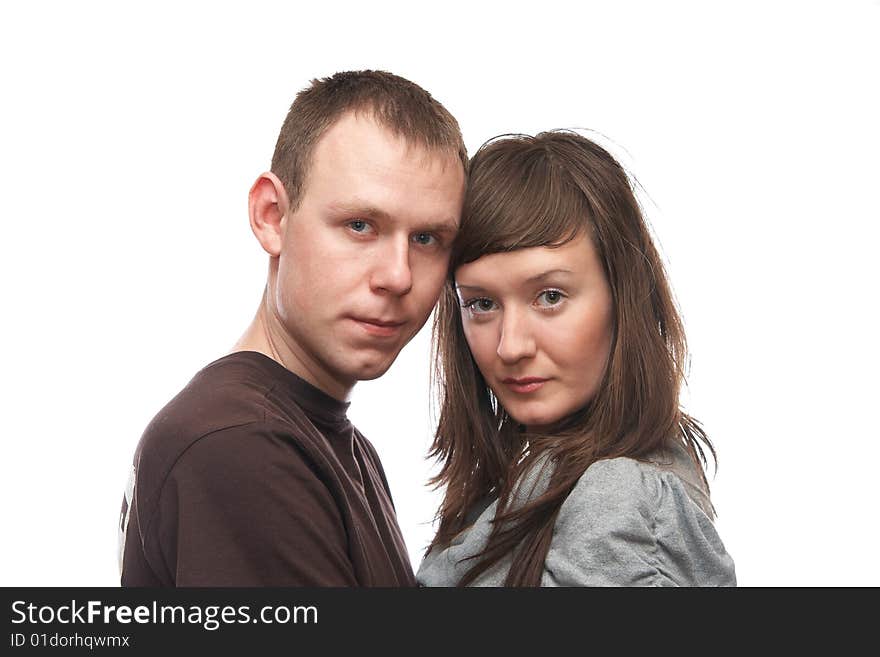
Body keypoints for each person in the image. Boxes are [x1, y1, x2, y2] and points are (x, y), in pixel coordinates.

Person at [118, 70, 467, 586]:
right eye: (360, 225)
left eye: (427, 239)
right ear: (271, 215)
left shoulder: (330, 443)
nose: (398, 276)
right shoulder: (240, 445)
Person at [417, 131, 736, 586]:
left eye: (550, 296)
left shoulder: (620, 497)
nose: (510, 346)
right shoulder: (519, 489)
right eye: (482, 304)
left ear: (623, 298)